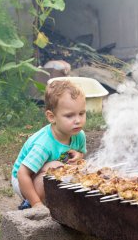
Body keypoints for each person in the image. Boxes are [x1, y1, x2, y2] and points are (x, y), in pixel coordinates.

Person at [11, 80, 87, 209]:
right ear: (52, 117)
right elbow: (22, 173)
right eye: (69, 116)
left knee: (80, 168)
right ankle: (30, 203)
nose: (78, 120)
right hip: (24, 181)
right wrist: (36, 204)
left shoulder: (79, 135)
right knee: (56, 166)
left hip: (49, 173)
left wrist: (79, 156)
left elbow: (81, 156)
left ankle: (55, 198)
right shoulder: (43, 144)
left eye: (81, 113)